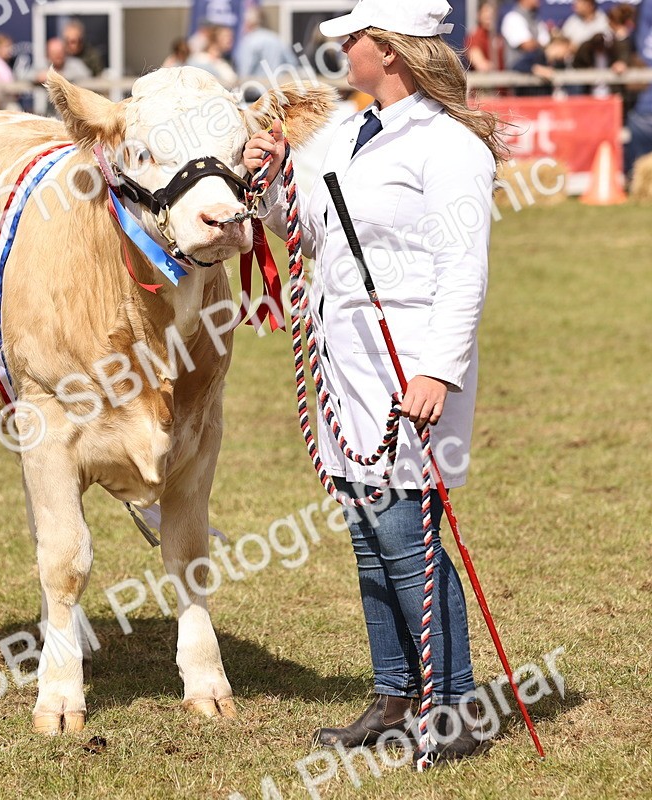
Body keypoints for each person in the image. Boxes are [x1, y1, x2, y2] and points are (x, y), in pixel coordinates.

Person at [243, 0, 502, 765]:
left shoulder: (450, 144)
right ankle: (396, 693)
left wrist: (437, 368)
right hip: (342, 353)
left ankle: (456, 707)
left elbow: (466, 269)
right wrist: (270, 180)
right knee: (366, 531)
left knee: (405, 531)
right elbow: (303, 228)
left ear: (388, 50)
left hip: (408, 355)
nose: (342, 50)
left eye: (352, 39)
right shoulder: (347, 133)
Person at [235, 7, 297, 78]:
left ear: (249, 23)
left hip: (256, 87)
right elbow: (292, 63)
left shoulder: (249, 41)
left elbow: (244, 71)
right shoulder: (277, 38)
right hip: (277, 86)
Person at [502, 0, 549, 91]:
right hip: (520, 77)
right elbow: (527, 45)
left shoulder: (536, 19)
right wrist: (540, 45)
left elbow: (546, 43)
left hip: (540, 78)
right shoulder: (512, 17)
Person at [464, 1, 504, 74]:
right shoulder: (475, 36)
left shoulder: (500, 35)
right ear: (479, 15)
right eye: (485, 12)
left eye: (492, 12)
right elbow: (480, 64)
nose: (489, 15)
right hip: (485, 83)